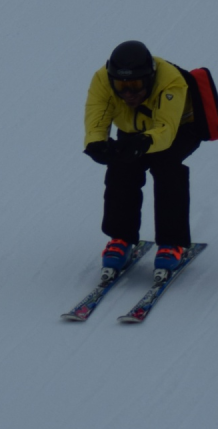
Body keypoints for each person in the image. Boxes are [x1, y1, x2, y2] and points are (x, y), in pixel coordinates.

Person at [83, 40, 205, 274]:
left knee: (167, 168)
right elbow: (97, 117)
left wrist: (143, 143)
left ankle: (172, 242)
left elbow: (166, 129)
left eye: (136, 85)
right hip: (133, 130)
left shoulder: (170, 80)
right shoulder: (102, 79)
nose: (128, 93)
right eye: (121, 86)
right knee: (121, 169)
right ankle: (121, 238)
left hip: (179, 129)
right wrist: (96, 143)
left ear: (149, 77)